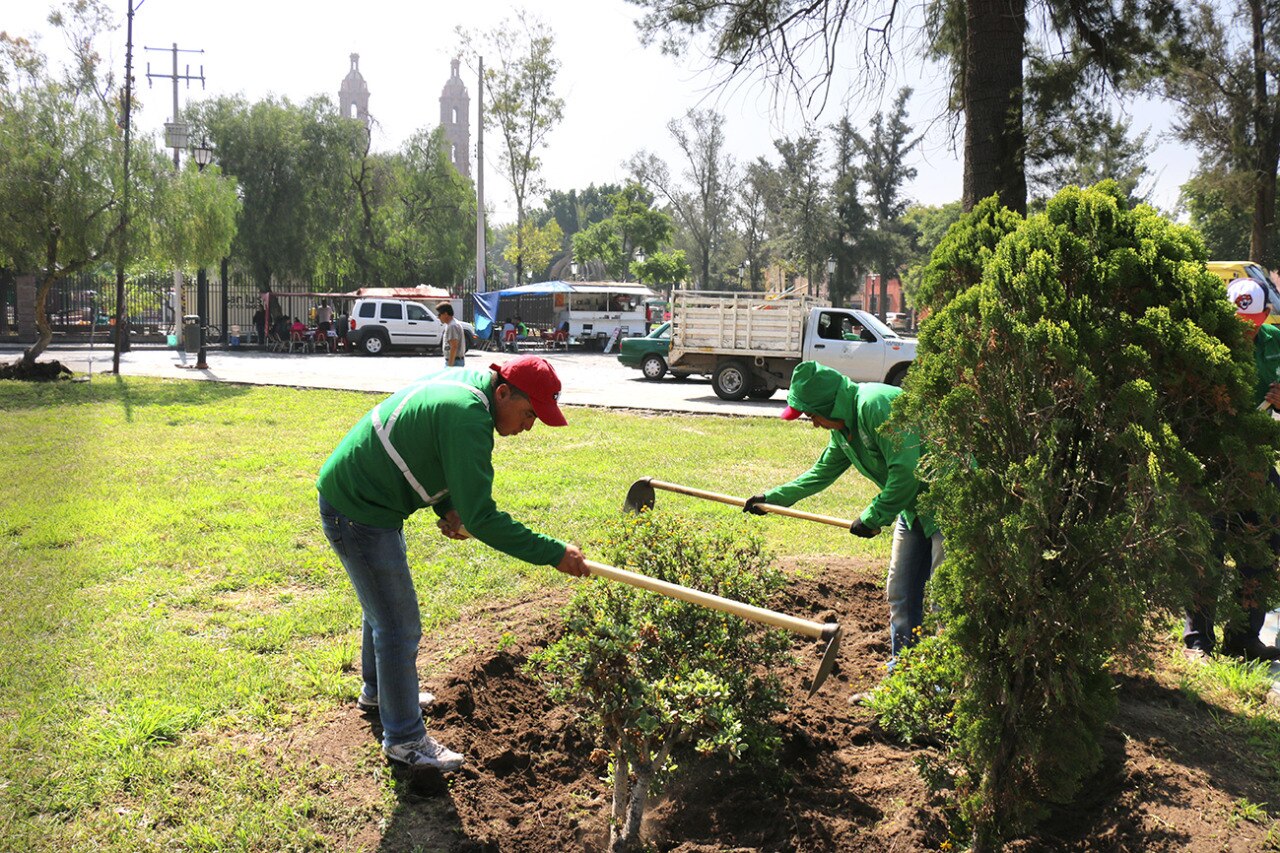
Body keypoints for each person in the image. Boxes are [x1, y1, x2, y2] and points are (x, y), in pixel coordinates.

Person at [317, 356, 590, 770]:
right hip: (359, 509)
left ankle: (380, 692)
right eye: (529, 413)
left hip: (363, 497)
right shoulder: (469, 417)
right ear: (503, 392)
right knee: (398, 623)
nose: (529, 426)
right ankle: (405, 740)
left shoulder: (466, 385)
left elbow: (422, 445)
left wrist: (448, 507)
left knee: (382, 609)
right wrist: (554, 553)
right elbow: (484, 518)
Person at [744, 360, 942, 674]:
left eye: (811, 415)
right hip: (913, 509)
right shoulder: (844, 429)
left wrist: (875, 516)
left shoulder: (874, 406)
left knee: (944, 603)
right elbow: (820, 473)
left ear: (828, 405)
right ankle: (903, 678)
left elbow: (906, 471)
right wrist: (772, 499)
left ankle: (942, 689)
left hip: (949, 506)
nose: (813, 423)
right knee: (901, 592)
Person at [1184, 278, 1280, 663]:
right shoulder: (1204, 344)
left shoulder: (1275, 341)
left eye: (1252, 322)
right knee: (1206, 547)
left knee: (1265, 545)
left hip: (1255, 458)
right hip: (1211, 458)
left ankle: (1244, 636)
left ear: (1266, 315)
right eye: (1237, 321)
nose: (1244, 330)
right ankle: (1197, 642)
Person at [439, 301, 466, 368]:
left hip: (454, 362)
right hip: (454, 361)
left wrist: (450, 367)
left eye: (439, 315)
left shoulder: (452, 326)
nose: (438, 317)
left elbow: (454, 347)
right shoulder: (451, 325)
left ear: (445, 314)